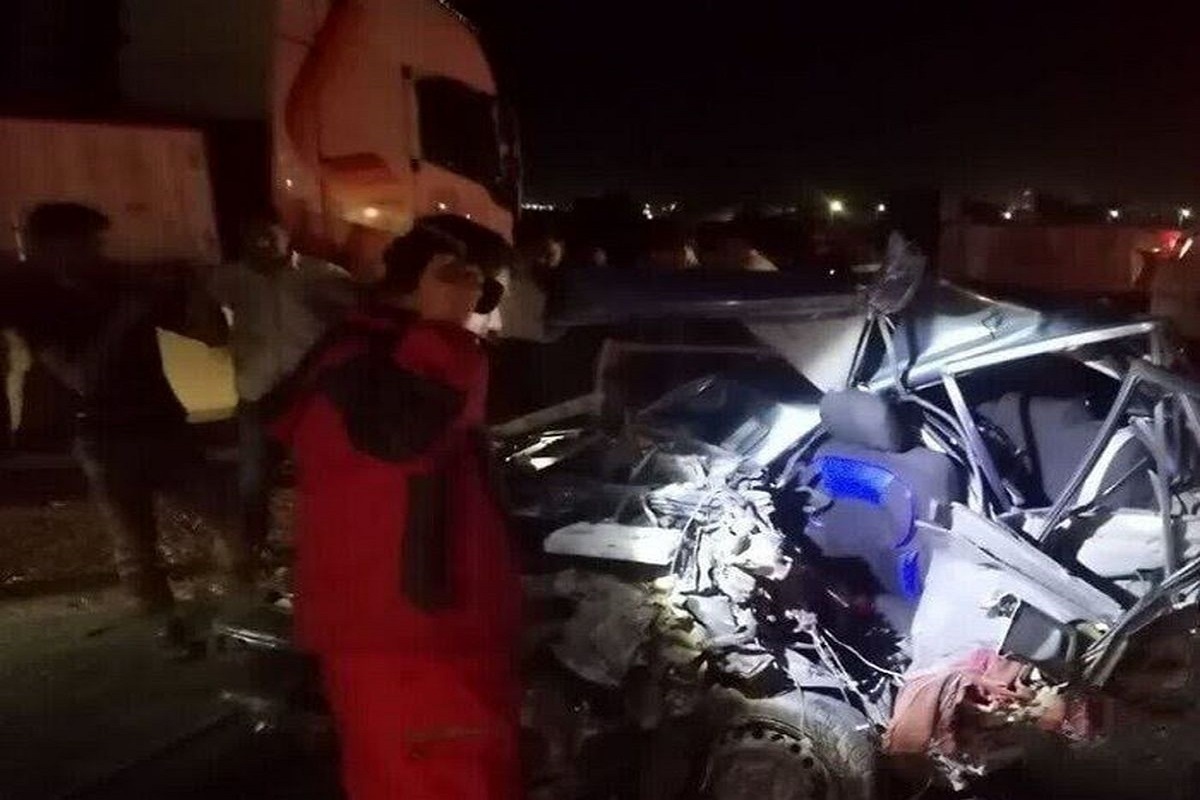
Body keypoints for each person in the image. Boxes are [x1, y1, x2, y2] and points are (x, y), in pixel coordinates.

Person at [268, 215, 520, 800]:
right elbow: (403, 438)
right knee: (450, 780)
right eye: (485, 291)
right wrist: (445, 328)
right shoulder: (397, 360)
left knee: (397, 778)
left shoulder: (365, 349)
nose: (491, 313)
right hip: (416, 633)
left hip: (394, 625)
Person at [0, 203, 244, 621]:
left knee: (230, 516)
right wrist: (126, 315)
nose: (97, 251)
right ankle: (163, 625)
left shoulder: (118, 285)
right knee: (136, 548)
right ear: (52, 248)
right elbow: (81, 377)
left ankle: (239, 607)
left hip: (165, 426)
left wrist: (195, 290)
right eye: (85, 243)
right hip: (103, 438)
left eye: (96, 243)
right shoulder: (40, 305)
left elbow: (210, 336)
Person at [206, 216, 358, 565]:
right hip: (258, 392)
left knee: (321, 474)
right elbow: (205, 318)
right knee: (253, 479)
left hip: (312, 395)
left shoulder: (324, 275)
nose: (263, 241)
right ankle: (250, 548)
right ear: (244, 238)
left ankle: (328, 542)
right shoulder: (227, 279)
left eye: (270, 233)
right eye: (255, 234)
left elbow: (352, 319)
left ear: (286, 235)